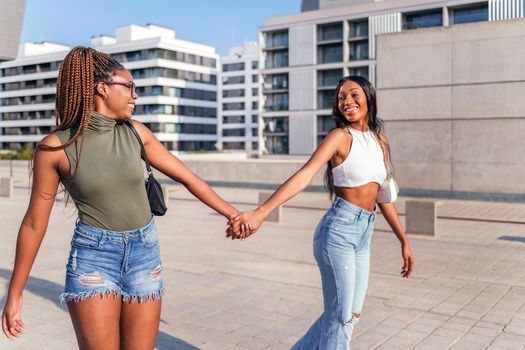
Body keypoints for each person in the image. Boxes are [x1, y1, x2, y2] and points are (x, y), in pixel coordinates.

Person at [1, 46, 250, 349]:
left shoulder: (136, 133)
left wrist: (234, 214)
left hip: (145, 255)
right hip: (94, 260)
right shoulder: (55, 148)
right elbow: (33, 224)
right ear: (102, 89)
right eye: (130, 87)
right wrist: (15, 293)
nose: (135, 95)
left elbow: (188, 177)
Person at [228, 76, 415, 349]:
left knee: (350, 315)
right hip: (339, 231)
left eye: (353, 95)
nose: (347, 102)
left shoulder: (380, 142)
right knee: (339, 318)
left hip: (364, 233)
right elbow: (304, 175)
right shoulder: (339, 137)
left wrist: (404, 241)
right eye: (341, 98)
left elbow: (384, 196)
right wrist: (261, 212)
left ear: (368, 97)